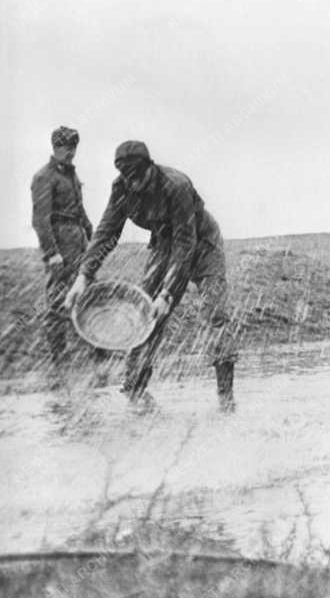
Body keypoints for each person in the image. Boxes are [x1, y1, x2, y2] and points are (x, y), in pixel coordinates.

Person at [64, 141, 237, 406]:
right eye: (128, 178)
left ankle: (225, 397)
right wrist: (82, 277)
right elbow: (106, 233)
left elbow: (185, 243)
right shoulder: (122, 188)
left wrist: (167, 293)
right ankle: (135, 389)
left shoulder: (175, 185)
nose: (133, 184)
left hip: (201, 241)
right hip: (164, 242)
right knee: (145, 312)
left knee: (214, 313)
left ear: (150, 168)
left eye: (138, 177)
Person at [31, 126, 94, 364]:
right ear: (55, 147)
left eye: (73, 148)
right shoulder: (43, 177)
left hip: (79, 242)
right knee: (57, 299)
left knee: (87, 291)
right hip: (60, 243)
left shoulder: (71, 175)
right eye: (66, 148)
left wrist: (92, 233)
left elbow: (79, 209)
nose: (71, 153)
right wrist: (51, 253)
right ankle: (59, 356)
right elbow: (40, 219)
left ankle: (95, 348)